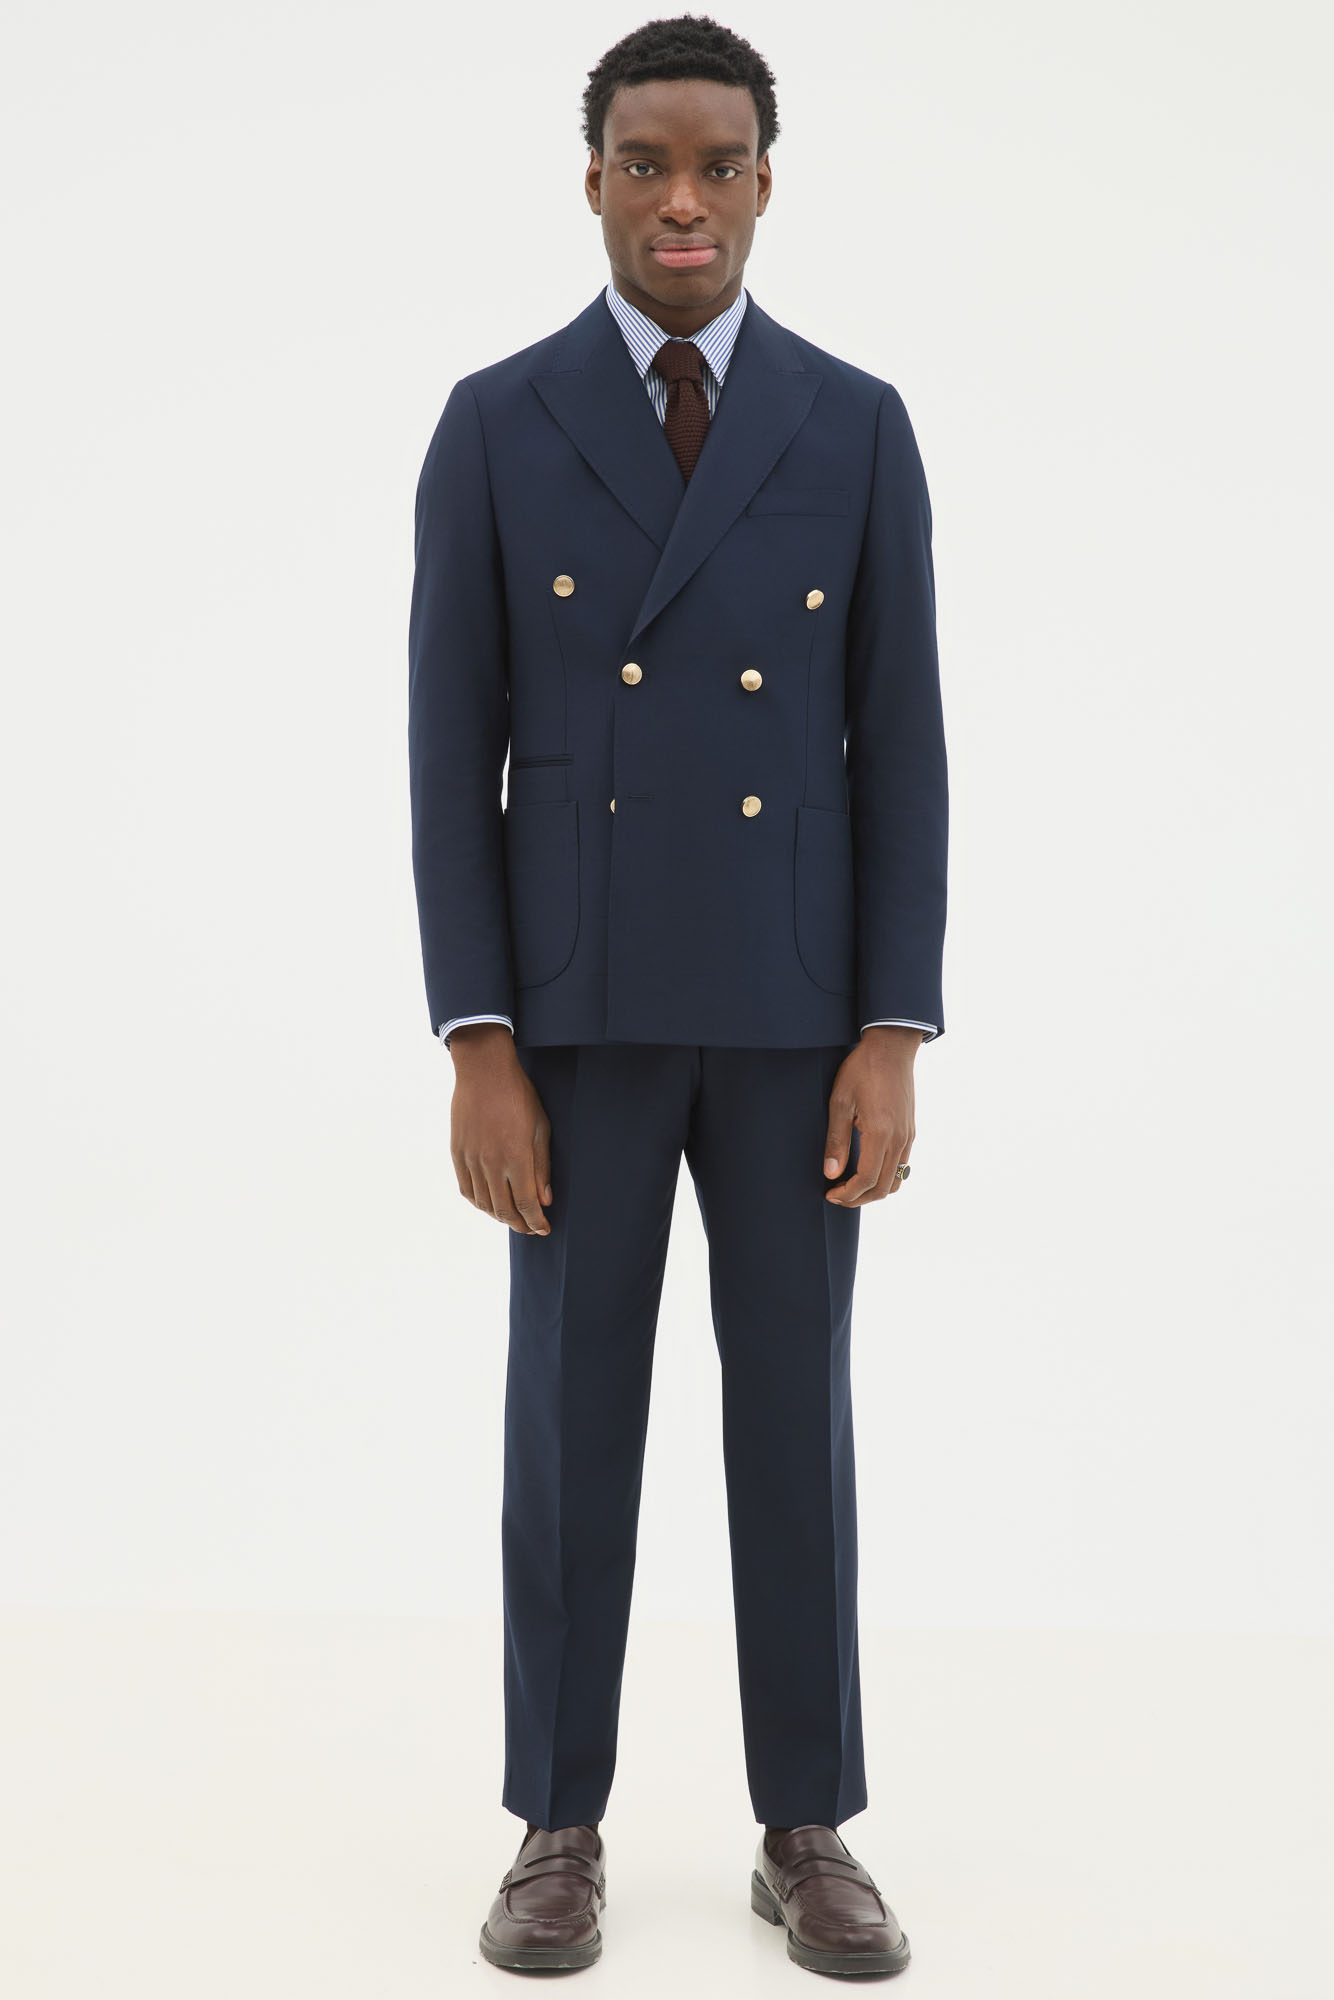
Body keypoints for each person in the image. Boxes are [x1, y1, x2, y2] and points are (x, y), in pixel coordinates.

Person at [407, 13, 946, 1978]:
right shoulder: (496, 420)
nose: (683, 198)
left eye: (718, 163)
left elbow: (901, 745)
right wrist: (476, 1036)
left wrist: (893, 1025)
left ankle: (807, 1824)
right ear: (594, 183)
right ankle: (555, 1820)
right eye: (647, 162)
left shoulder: (854, 422)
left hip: (796, 1013)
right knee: (571, 1424)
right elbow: (445, 751)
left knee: (794, 1423)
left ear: (765, 183)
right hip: (576, 1016)